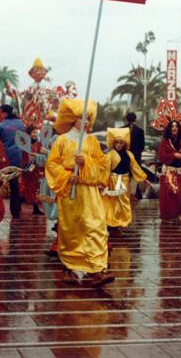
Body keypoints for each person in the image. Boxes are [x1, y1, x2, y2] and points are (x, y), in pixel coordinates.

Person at [45, 99, 114, 287]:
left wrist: (86, 163)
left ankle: (98, 269)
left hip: (89, 192)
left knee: (96, 227)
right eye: (83, 119)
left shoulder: (92, 141)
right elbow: (52, 164)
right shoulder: (62, 140)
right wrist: (68, 176)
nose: (87, 123)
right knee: (71, 230)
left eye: (89, 119)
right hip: (70, 193)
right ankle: (68, 267)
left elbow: (102, 165)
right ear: (74, 119)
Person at [102, 128, 148, 236]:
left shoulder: (129, 154)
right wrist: (102, 183)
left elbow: (135, 167)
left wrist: (143, 178)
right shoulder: (110, 155)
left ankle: (117, 224)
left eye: (121, 142)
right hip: (113, 180)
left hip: (124, 180)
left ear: (124, 143)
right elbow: (105, 170)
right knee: (114, 203)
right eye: (116, 142)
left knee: (123, 203)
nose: (118, 145)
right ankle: (113, 225)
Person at [0, 104, 25, 219]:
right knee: (14, 184)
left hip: (3, 158)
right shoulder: (21, 124)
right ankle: (16, 211)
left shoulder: (0, 125)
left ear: (3, 113)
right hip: (17, 157)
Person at [158, 120, 181, 223]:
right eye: (172, 127)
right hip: (169, 171)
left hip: (180, 171)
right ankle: (168, 216)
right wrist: (173, 155)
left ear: (179, 129)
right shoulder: (165, 141)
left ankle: (180, 213)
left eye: (176, 127)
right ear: (169, 129)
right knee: (170, 193)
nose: (174, 128)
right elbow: (161, 156)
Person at [20, 126, 44, 215]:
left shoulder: (38, 144)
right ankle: (20, 203)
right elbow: (23, 157)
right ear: (29, 134)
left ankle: (34, 207)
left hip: (36, 168)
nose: (35, 134)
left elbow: (41, 155)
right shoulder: (25, 144)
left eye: (36, 132)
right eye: (34, 132)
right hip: (28, 168)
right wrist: (26, 165)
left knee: (35, 188)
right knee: (27, 188)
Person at [123, 112, 145, 201]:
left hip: (124, 156)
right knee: (134, 176)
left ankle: (127, 194)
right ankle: (133, 194)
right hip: (136, 157)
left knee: (125, 175)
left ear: (127, 119)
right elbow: (142, 145)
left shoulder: (122, 129)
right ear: (135, 119)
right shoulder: (140, 131)